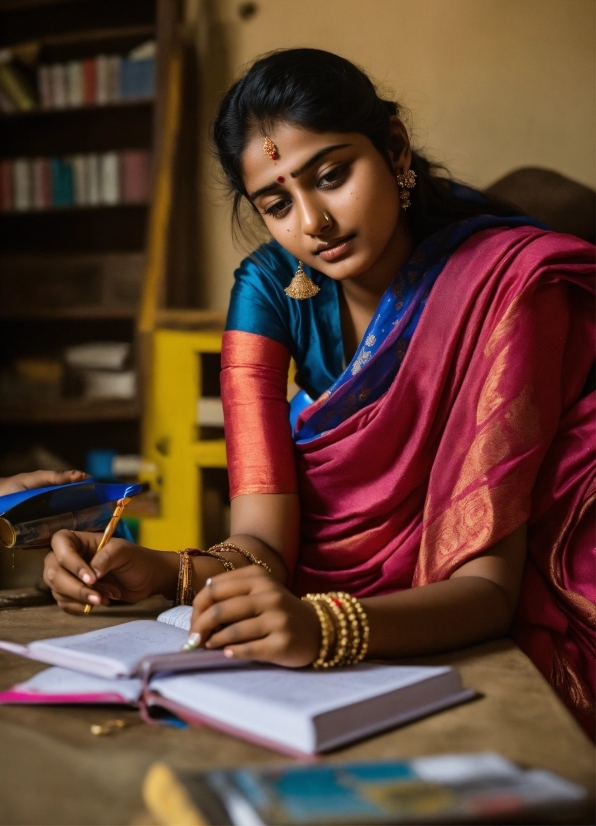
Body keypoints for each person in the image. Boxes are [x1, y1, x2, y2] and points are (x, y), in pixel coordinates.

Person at [43, 50, 595, 736]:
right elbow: (263, 541)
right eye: (277, 203)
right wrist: (161, 570)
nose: (313, 223)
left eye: (331, 176)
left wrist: (325, 625)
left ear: (394, 147)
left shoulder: (510, 287)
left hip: (527, 576)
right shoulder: (268, 288)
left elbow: (487, 592)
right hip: (335, 598)